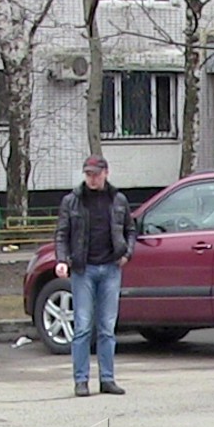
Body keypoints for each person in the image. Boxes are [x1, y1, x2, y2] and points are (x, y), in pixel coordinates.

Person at [54, 155, 134, 397]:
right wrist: (62, 260)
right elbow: (62, 233)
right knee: (82, 328)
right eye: (88, 174)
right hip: (83, 270)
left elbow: (131, 229)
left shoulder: (118, 200)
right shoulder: (72, 201)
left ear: (106, 173)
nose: (92, 178)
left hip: (111, 268)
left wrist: (127, 253)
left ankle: (107, 379)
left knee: (107, 328)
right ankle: (81, 380)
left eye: (96, 174)